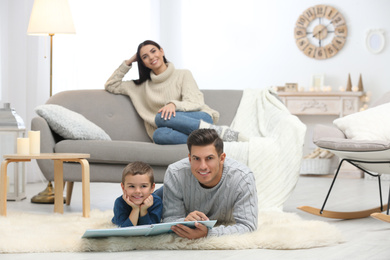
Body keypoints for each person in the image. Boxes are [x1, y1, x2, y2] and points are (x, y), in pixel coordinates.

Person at [105, 40, 246, 144]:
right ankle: (213, 138)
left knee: (160, 117)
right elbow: (111, 84)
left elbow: (196, 102)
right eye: (145, 57)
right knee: (158, 135)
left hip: (199, 118)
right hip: (168, 129)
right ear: (142, 62)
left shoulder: (183, 74)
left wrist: (173, 105)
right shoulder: (139, 86)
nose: (151, 57)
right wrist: (130, 61)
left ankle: (213, 132)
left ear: (161, 51)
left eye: (153, 51)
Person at [162, 128, 258, 239]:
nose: (203, 166)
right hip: (176, 189)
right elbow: (169, 220)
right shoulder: (175, 173)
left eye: (209, 158)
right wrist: (185, 222)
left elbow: (248, 226)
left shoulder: (243, 178)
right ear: (189, 159)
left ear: (221, 158)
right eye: (196, 158)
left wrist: (208, 233)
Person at [112, 161, 162, 227]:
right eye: (132, 186)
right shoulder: (120, 202)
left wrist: (143, 210)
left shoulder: (156, 202)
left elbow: (151, 229)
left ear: (152, 188)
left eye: (143, 186)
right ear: (123, 188)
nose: (137, 191)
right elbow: (124, 230)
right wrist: (135, 209)